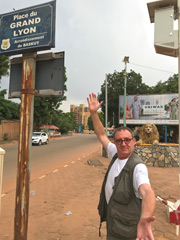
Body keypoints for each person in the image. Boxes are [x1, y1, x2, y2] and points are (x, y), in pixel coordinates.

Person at [87, 93, 156, 240]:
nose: (123, 143)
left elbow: (147, 192)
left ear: (134, 142)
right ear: (115, 142)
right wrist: (93, 113)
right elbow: (101, 135)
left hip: (128, 232)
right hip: (114, 225)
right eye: (119, 141)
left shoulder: (138, 167)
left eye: (127, 140)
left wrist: (145, 218)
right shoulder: (115, 154)